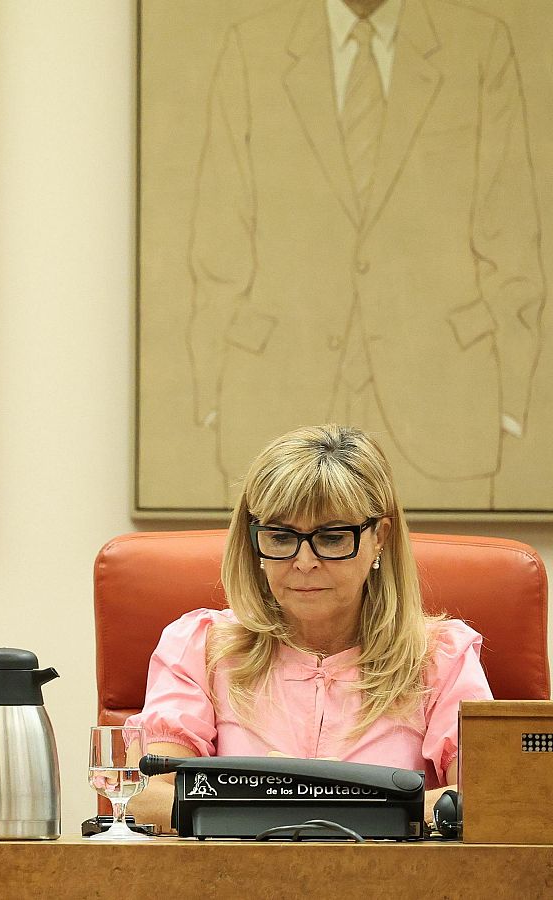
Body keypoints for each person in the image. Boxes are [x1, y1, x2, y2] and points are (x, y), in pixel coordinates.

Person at [186, 0, 542, 506]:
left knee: (447, 585)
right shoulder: (252, 47)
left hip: (441, 397)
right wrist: (209, 394)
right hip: (278, 387)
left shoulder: (481, 46)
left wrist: (510, 397)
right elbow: (219, 233)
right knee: (275, 581)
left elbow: (511, 231)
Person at [126, 424, 491, 832]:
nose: (304, 562)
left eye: (332, 538)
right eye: (281, 537)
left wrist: (297, 804)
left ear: (379, 538)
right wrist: (348, 805)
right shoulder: (198, 647)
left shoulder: (442, 657)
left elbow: (489, 797)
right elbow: (145, 797)